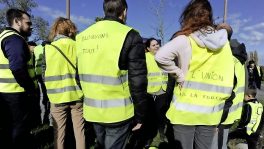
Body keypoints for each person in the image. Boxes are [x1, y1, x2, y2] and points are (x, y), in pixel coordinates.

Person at [155, 0, 235, 149]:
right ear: (210, 17)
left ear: (188, 16)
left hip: (184, 112)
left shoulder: (185, 40)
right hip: (211, 111)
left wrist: (179, 75)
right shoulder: (224, 44)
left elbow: (160, 57)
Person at [76, 0, 149, 148]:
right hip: (119, 113)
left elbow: (78, 75)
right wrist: (141, 115)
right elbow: (138, 81)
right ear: (124, 12)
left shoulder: (82, 36)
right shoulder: (129, 34)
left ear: (105, 10)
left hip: (92, 110)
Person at [43, 17, 85, 149]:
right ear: (70, 30)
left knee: (59, 133)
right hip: (77, 94)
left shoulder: (48, 49)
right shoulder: (78, 46)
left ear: (56, 30)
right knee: (80, 132)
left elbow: (44, 74)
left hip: (57, 96)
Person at [0, 8, 38, 148]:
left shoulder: (4, 36)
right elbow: (17, 68)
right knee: (19, 132)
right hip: (15, 94)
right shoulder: (14, 39)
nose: (31, 26)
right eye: (28, 23)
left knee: (8, 130)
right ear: (17, 21)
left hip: (6, 92)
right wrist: (30, 88)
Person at [210, 23, 248, 149]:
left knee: (213, 144)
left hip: (221, 112)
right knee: (222, 141)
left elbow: (227, 91)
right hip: (231, 112)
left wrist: (218, 117)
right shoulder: (239, 58)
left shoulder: (227, 58)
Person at [144, 38, 171, 147]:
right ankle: (149, 138)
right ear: (148, 48)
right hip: (150, 92)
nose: (156, 46)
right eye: (153, 45)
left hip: (162, 90)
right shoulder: (145, 58)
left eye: (157, 44)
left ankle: (162, 133)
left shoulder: (164, 57)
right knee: (150, 117)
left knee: (161, 115)